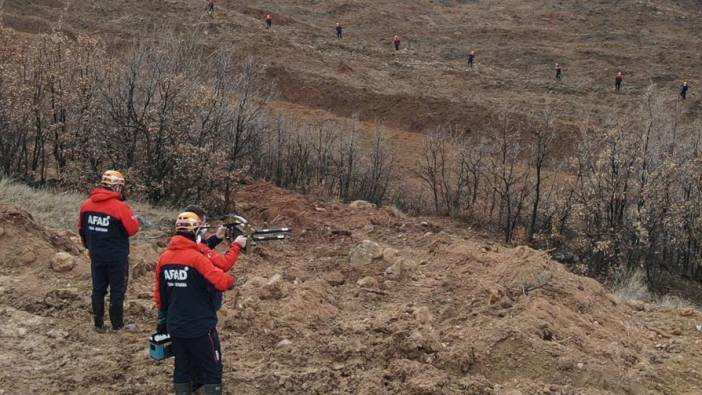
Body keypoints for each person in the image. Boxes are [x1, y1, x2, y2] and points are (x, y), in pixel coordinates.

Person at [155, 211, 246, 395]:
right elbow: (221, 281)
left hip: (176, 325)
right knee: (212, 368)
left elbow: (159, 296)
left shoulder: (164, 259)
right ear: (195, 231)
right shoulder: (197, 259)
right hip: (201, 326)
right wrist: (231, 280)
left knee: (182, 368)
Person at [78, 170, 140, 332]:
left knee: (98, 289)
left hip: (96, 254)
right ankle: (117, 324)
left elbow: (81, 229)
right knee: (117, 290)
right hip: (116, 256)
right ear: (117, 187)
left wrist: (88, 246)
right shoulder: (120, 207)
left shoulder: (86, 205)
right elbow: (133, 229)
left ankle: (98, 324)